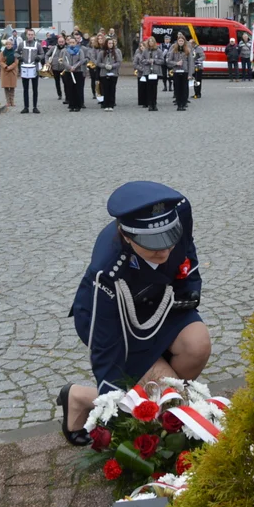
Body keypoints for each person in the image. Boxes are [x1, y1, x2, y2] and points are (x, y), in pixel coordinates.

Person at [58, 181, 211, 446]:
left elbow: (187, 249)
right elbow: (107, 352)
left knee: (197, 346)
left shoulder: (180, 212)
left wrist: (190, 286)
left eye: (168, 240)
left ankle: (155, 405)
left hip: (162, 305)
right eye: (153, 245)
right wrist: (111, 408)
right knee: (168, 396)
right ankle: (81, 397)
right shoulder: (108, 269)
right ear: (127, 237)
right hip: (119, 323)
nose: (164, 250)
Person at [17, 28, 43, 114]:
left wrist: (38, 57)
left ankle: (35, 107)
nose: (30, 36)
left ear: (34, 35)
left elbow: (42, 54)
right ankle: (26, 107)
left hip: (34, 69)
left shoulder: (37, 44)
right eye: (29, 34)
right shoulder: (22, 44)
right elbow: (16, 52)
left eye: (32, 35)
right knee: (25, 89)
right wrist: (19, 57)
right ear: (26, 35)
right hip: (25, 69)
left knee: (35, 89)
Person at [134, 37, 163, 111]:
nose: (151, 43)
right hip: (147, 71)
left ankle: (154, 103)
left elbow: (162, 61)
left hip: (156, 72)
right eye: (149, 42)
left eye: (152, 42)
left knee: (154, 88)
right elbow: (142, 60)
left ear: (154, 42)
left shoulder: (158, 51)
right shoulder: (145, 51)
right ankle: (150, 104)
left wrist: (155, 60)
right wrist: (148, 61)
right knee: (149, 88)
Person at [166, 32, 193, 111]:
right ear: (177, 42)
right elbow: (168, 61)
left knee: (184, 88)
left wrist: (190, 74)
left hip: (185, 71)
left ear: (184, 42)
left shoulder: (188, 50)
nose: (180, 42)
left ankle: (183, 103)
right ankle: (178, 104)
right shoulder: (174, 50)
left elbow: (190, 63)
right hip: (176, 71)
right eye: (179, 41)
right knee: (177, 88)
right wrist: (176, 63)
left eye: (182, 41)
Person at [62, 35, 86, 112]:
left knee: (77, 89)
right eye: (70, 42)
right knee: (70, 89)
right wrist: (69, 67)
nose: (72, 44)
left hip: (77, 72)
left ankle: (78, 105)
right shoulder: (66, 51)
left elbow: (81, 60)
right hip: (68, 72)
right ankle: (71, 105)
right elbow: (64, 60)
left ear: (76, 43)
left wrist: (74, 67)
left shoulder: (80, 51)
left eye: (73, 42)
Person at [98, 36, 122, 111]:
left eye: (112, 43)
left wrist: (112, 66)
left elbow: (119, 62)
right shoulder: (102, 52)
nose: (111, 44)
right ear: (106, 44)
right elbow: (98, 63)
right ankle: (106, 104)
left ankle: (111, 104)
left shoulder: (116, 52)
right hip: (104, 73)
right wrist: (104, 66)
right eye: (109, 43)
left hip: (113, 73)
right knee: (105, 89)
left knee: (112, 89)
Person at [45, 34, 69, 105]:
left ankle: (67, 96)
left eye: (62, 42)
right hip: (55, 68)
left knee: (66, 83)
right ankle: (59, 94)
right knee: (57, 82)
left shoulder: (67, 48)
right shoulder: (53, 48)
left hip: (64, 68)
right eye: (60, 42)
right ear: (57, 42)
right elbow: (47, 55)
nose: (61, 43)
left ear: (64, 42)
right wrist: (47, 62)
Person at [0, 37, 18, 107]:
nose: (8, 45)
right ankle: (8, 101)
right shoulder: (2, 53)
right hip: (5, 71)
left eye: (10, 44)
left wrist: (10, 67)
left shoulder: (15, 53)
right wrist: (5, 66)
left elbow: (16, 62)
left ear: (12, 45)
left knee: (12, 87)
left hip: (12, 71)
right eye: (7, 44)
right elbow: (0, 61)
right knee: (6, 87)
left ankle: (12, 101)